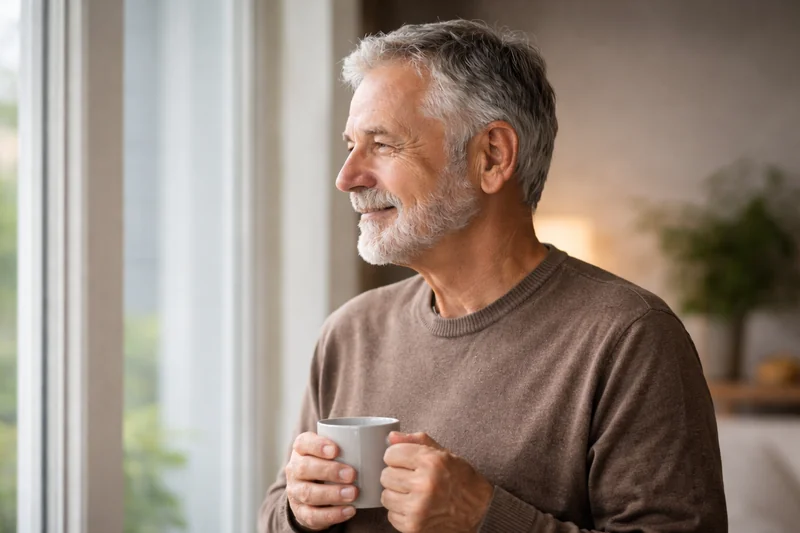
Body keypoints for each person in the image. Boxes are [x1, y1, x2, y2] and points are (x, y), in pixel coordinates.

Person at [259, 19, 727, 533]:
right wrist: (297, 513)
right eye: (351, 145)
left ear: (492, 155)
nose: (347, 177)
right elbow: (275, 512)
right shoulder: (349, 333)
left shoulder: (630, 337)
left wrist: (482, 518)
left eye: (383, 144)